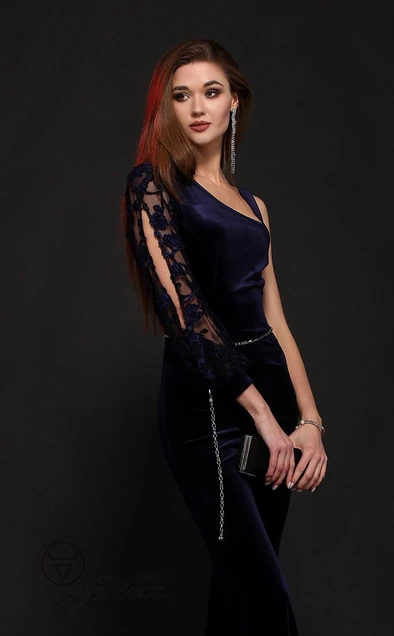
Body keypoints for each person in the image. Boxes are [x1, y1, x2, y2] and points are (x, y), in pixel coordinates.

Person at [120, 38, 327, 635]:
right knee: (259, 589)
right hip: (208, 404)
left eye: (211, 92)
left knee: (237, 597)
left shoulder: (255, 207)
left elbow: (276, 323)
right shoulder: (153, 186)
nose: (197, 107)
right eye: (181, 96)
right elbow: (186, 315)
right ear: (168, 108)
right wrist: (261, 415)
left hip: (273, 398)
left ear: (234, 101)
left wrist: (309, 421)